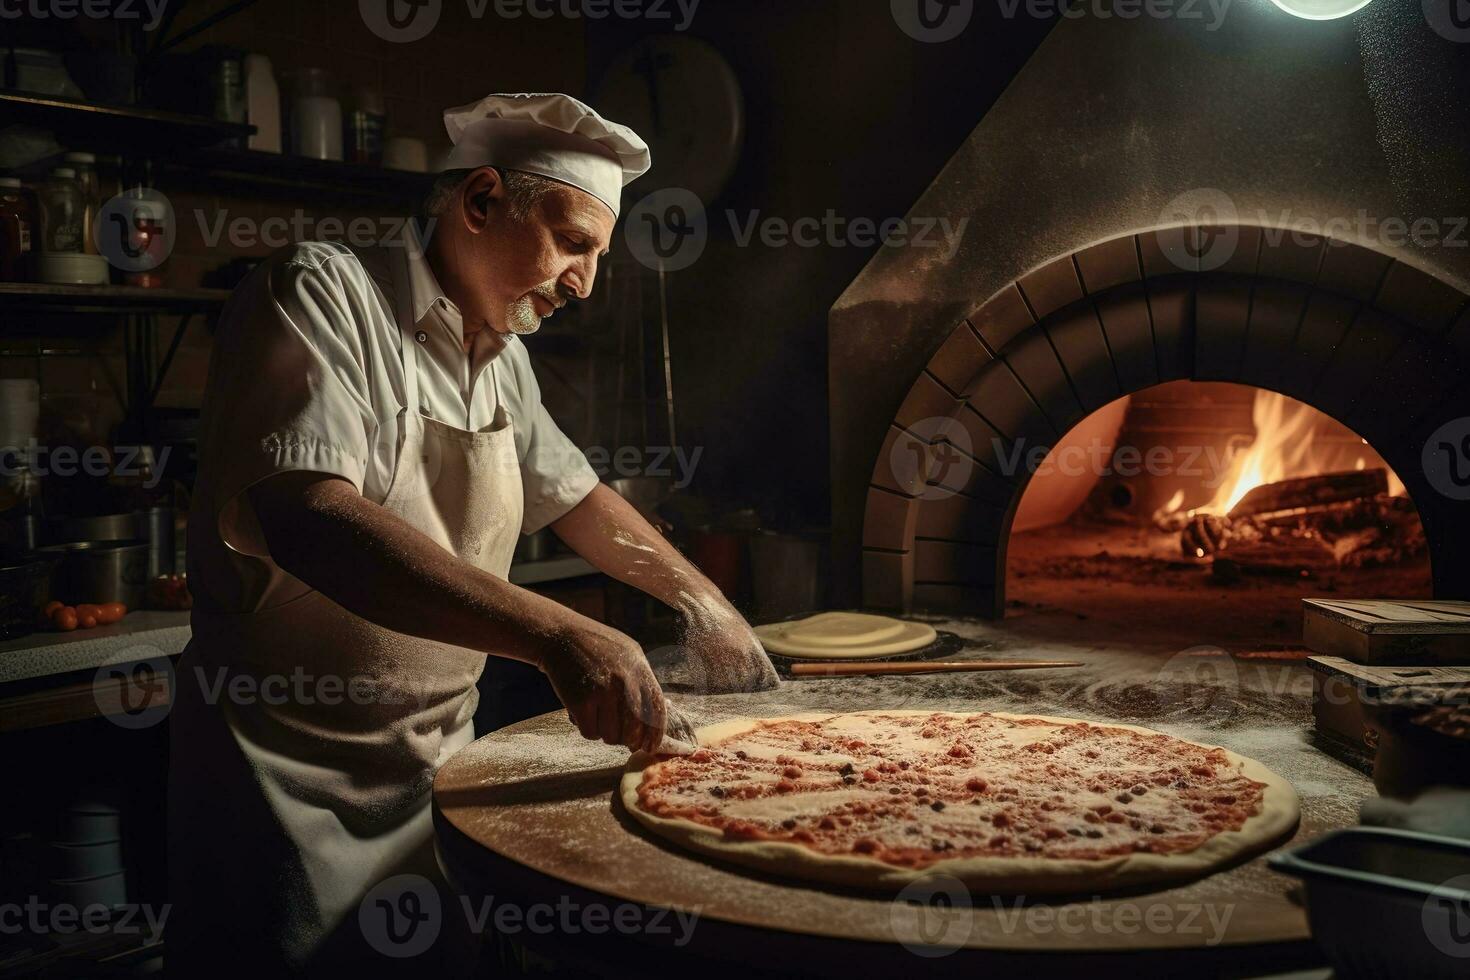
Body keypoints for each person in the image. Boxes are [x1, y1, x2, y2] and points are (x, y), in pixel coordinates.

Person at [166, 93, 777, 977]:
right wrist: (556, 632)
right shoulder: (323, 294)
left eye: (597, 257)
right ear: (482, 200)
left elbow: (573, 496)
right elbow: (309, 518)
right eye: (573, 244)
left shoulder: (502, 355)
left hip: (439, 772)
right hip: (286, 786)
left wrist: (703, 600)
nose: (586, 282)